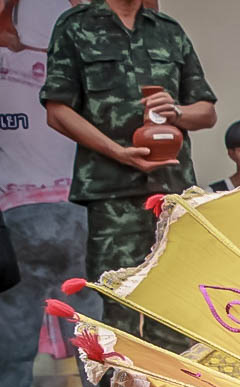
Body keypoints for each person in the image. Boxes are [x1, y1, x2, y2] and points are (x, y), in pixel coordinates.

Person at [41, 0, 217, 352]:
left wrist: (178, 111)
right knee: (116, 304)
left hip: (172, 192)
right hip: (112, 192)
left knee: (174, 303)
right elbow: (57, 109)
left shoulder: (167, 30)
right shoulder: (76, 26)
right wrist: (117, 152)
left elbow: (206, 111)